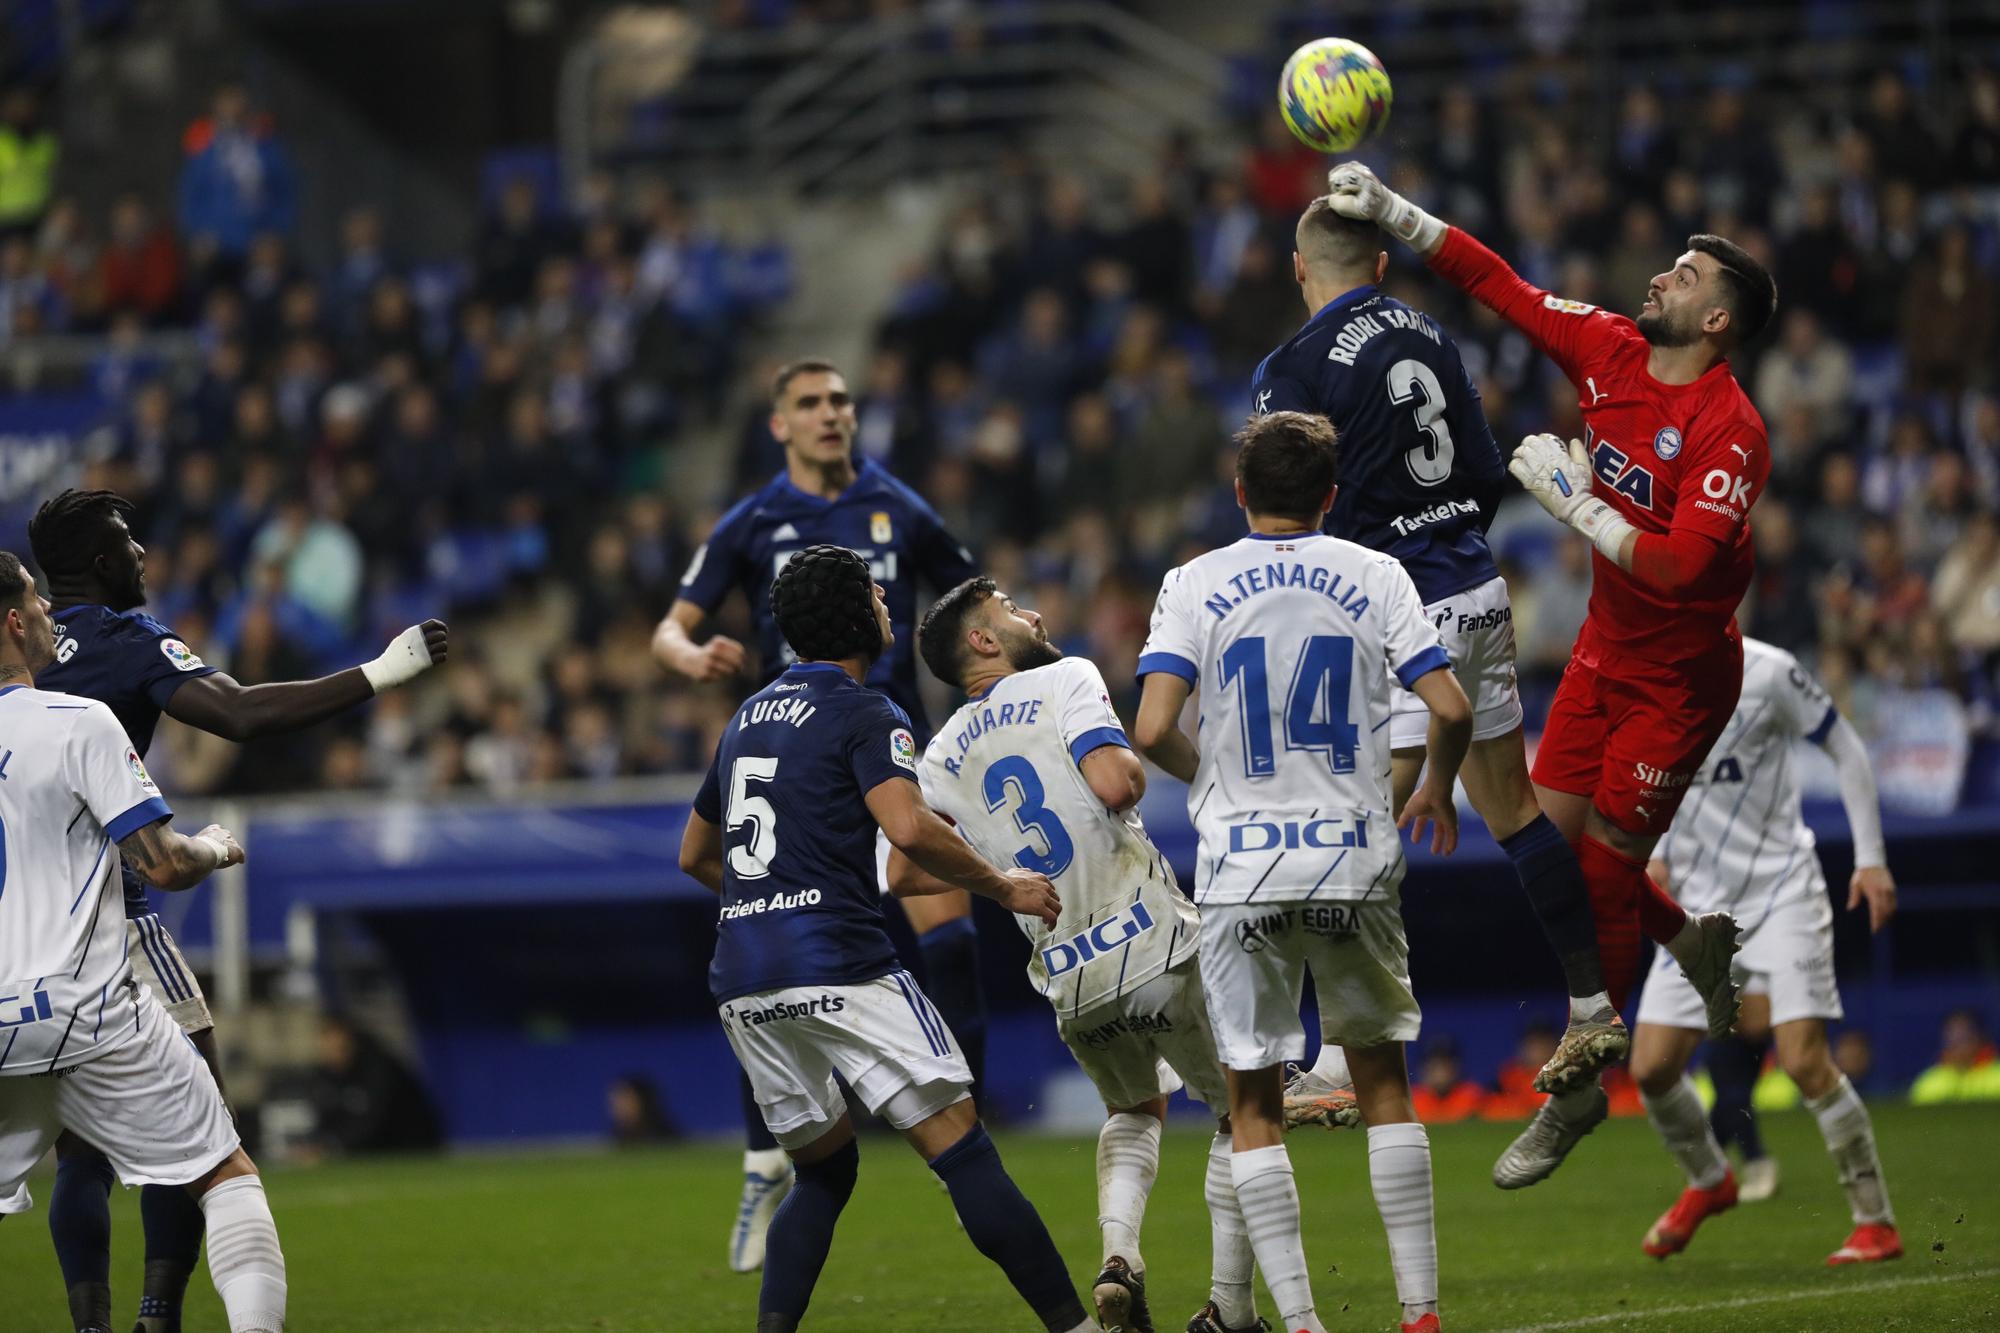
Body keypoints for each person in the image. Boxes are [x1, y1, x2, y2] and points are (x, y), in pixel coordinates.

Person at [1325, 161, 1779, 1190]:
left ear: (1715, 319)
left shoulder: (1728, 431)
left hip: (1678, 678)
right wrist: (1395, 212)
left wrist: (1578, 506)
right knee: (1544, 849)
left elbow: (1678, 566)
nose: (1660, 276)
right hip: (1601, 655)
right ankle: (1690, 944)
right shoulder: (1610, 351)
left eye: (1684, 272)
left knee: (1604, 871)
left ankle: (1578, 1089)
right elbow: (1501, 285)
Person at [27, 488, 446, 1333]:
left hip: (13, 936)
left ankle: (91, 1324)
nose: (143, 552)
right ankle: (158, 1316)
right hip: (112, 914)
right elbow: (241, 714)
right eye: (129, 540)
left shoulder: (19, 660)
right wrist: (379, 672)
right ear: (103, 563)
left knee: (79, 1146)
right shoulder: (123, 640)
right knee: (204, 1130)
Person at [1254, 196, 1623, 1129]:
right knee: (1517, 809)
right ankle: (1590, 1006)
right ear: (1381, 265)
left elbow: (1288, 505)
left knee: (1350, 829)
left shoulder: (1292, 366)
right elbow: (1487, 474)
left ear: (1302, 270)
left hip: (1387, 610)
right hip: (1473, 584)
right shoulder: (1431, 331)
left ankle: (1336, 1057)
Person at [677, 544, 1096, 1333]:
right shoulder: (868, 710)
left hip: (741, 974)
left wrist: (765, 905)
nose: (885, 600)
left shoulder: (745, 718)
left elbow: (693, 854)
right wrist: (1003, 884)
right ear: (852, 615)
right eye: (874, 591)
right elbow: (907, 827)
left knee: (825, 1170)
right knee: (963, 1151)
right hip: (839, 959)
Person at [1134, 411, 1473, 1333]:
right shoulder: (1378, 574)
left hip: (1242, 872)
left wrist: (1215, 776)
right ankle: (1420, 1315)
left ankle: (1302, 1323)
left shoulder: (1193, 582)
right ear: (1331, 495)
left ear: (1239, 491)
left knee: (1253, 1098)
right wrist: (1436, 786)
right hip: (1354, 861)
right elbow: (1448, 703)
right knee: (1383, 1083)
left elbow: (1152, 725)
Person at [652, 358, 985, 1272]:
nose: (832, 413)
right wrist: (694, 657)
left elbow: (969, 602)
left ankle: (972, 1140)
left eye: (840, 400)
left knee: (952, 939)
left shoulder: (899, 506)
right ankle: (769, 1158)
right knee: (778, 950)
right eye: (811, 403)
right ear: (779, 425)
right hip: (798, 766)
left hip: (894, 752)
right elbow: (668, 628)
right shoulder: (753, 520)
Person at [902, 576, 1250, 1333]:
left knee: (1134, 1106)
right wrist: (1128, 765)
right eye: (1011, 610)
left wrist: (997, 884)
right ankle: (1232, 1308)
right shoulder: (1067, 676)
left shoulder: (936, 757)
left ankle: (1120, 1256)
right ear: (985, 642)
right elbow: (1115, 782)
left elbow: (899, 871)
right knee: (1242, 1113)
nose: (1033, 613)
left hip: (1071, 977)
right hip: (1156, 942)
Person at [0, 552, 286, 1333]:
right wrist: (218, 846)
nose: (51, 610)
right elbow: (161, 862)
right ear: (14, 621)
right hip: (87, 1011)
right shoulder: (79, 721)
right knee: (223, 1172)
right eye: (36, 598)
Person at [1627, 639, 1902, 1264]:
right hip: (1698, 909)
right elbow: (1655, 778)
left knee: (1804, 1061)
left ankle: (1875, 1221)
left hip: (1783, 894)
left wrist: (1872, 860)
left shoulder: (1770, 671)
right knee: (1650, 1069)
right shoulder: (1650, 674)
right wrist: (1658, 854)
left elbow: (1845, 747)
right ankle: (1709, 1178)